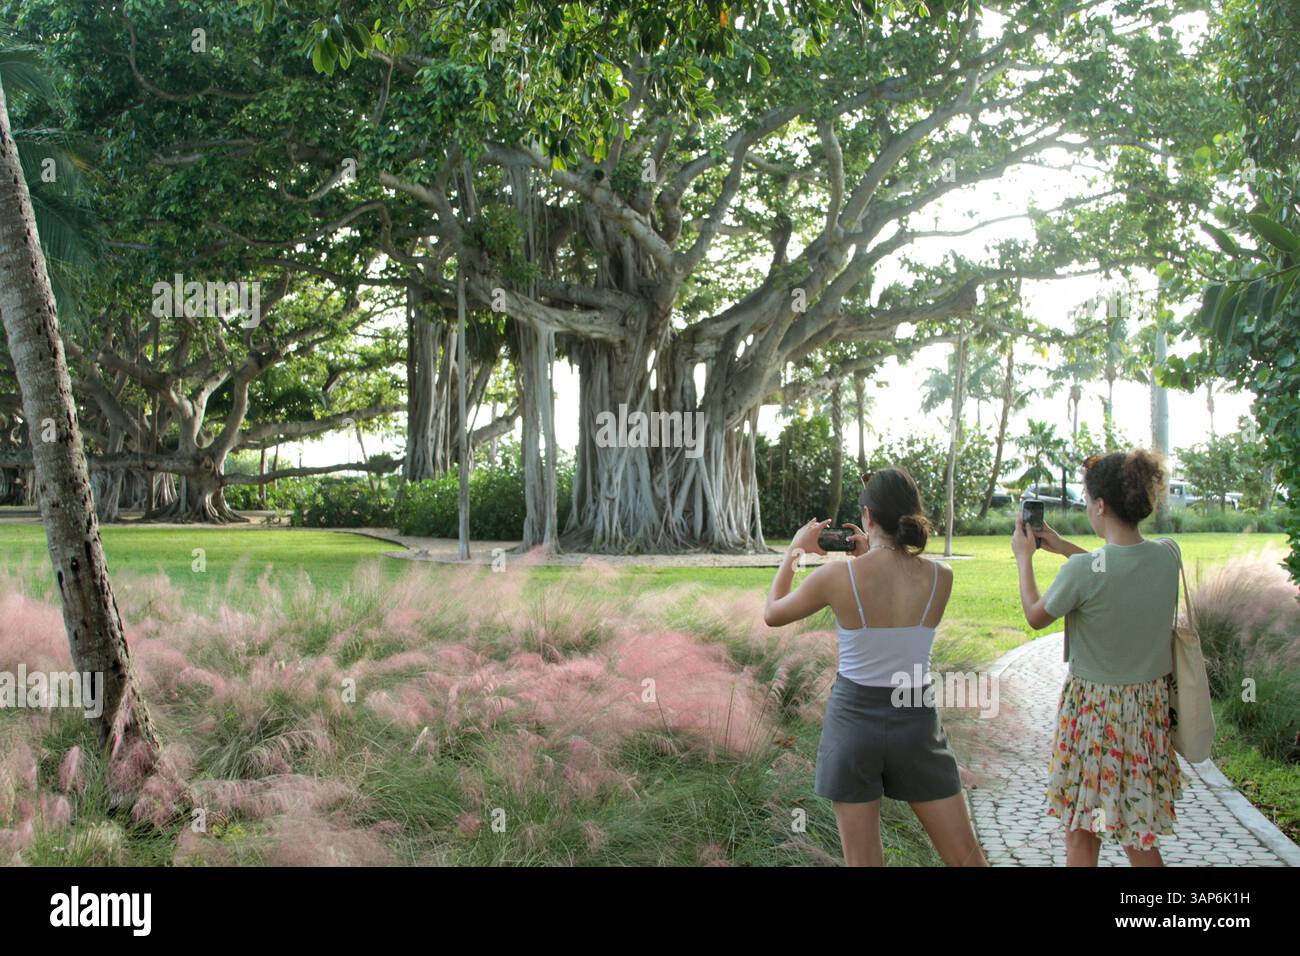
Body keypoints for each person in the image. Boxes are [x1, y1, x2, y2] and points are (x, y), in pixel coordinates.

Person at [765, 467, 985, 867]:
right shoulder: (941, 577)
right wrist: (872, 555)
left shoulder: (836, 576)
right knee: (968, 861)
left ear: (866, 516)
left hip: (854, 724)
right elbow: (893, 594)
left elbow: (773, 614)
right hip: (916, 722)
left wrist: (795, 551)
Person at [1013, 449, 1183, 866]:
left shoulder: (1084, 570)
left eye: (1088, 500)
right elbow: (1116, 569)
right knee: (1138, 835)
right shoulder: (1168, 555)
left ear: (1101, 505)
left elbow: (1036, 616)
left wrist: (1024, 559)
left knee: (1082, 834)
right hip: (1145, 712)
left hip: (1094, 715)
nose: (1087, 507)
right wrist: (1067, 549)